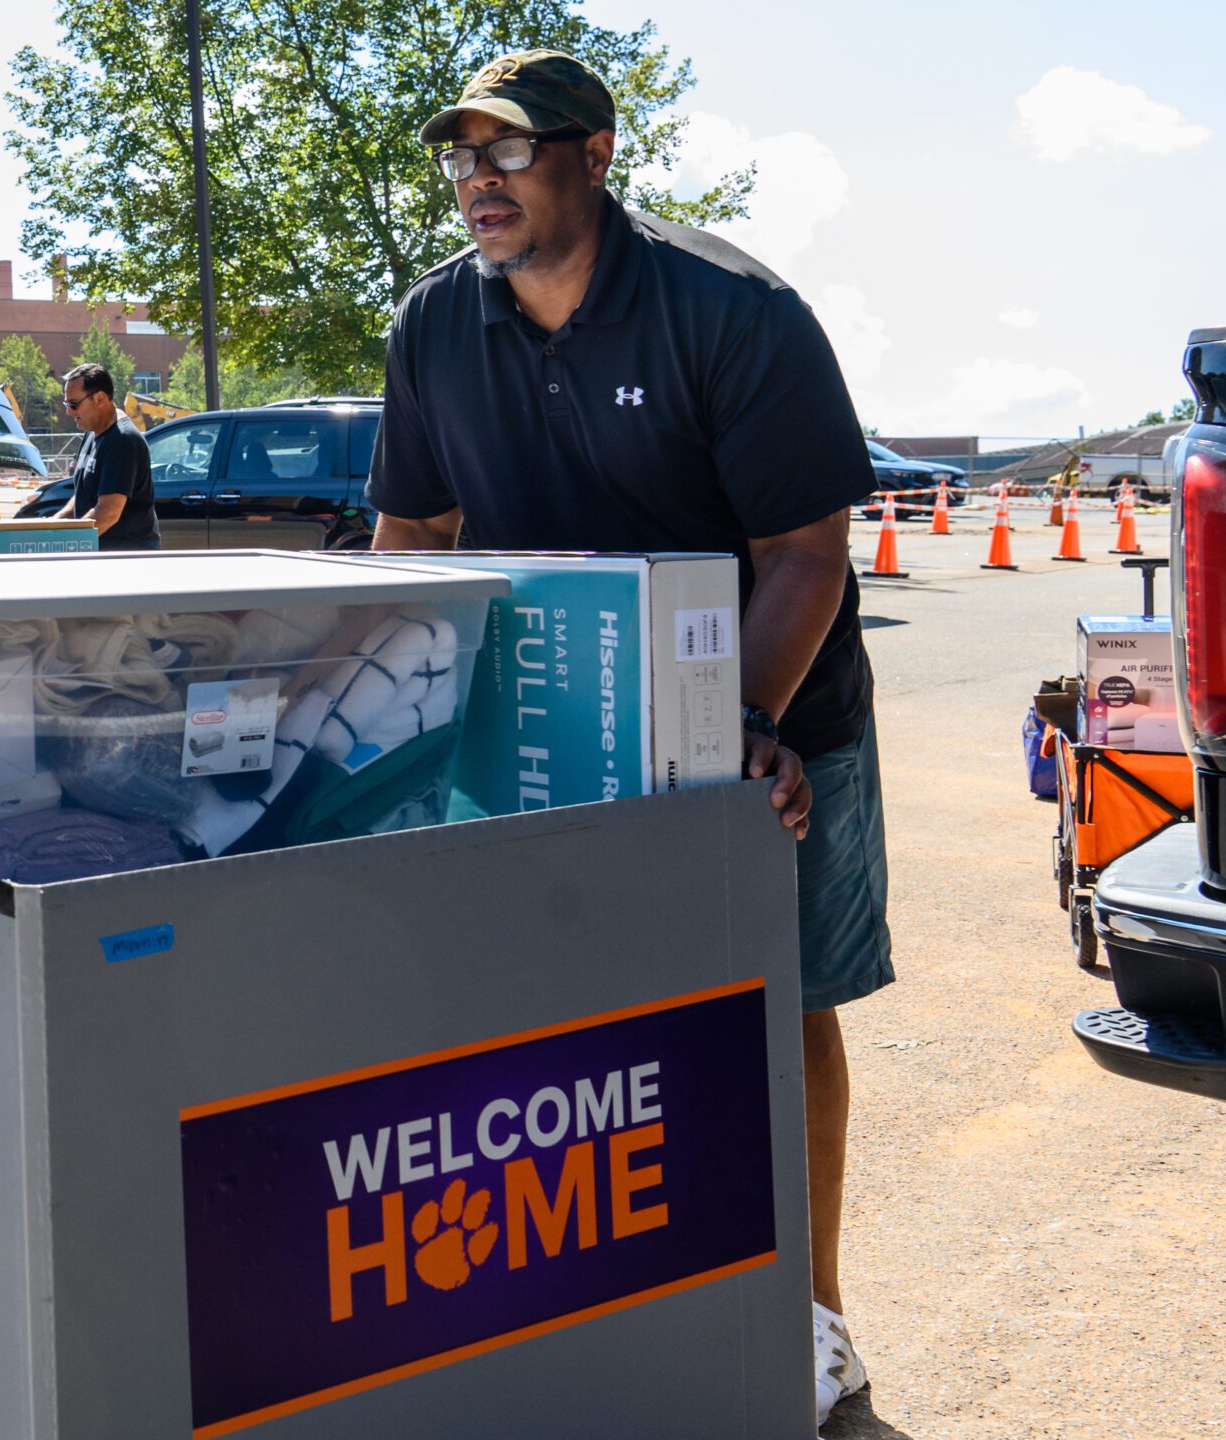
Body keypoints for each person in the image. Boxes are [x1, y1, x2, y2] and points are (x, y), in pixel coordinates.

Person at [366, 51, 885, 1433]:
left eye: (511, 151)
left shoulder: (734, 310)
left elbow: (803, 552)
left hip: (777, 720)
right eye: (461, 157)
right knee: (566, 1018)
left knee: (782, 1008)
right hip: (555, 723)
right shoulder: (432, 326)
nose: (479, 178)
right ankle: (611, 1300)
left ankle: (813, 1321)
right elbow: (413, 538)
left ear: (595, 157)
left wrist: (740, 731)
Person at [52, 362, 158, 550]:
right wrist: (54, 525)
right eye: (66, 404)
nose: (69, 412)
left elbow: (108, 512)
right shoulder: (92, 431)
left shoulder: (121, 440)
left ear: (100, 398)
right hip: (102, 554)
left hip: (125, 560)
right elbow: (85, 492)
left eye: (74, 404)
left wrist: (67, 544)